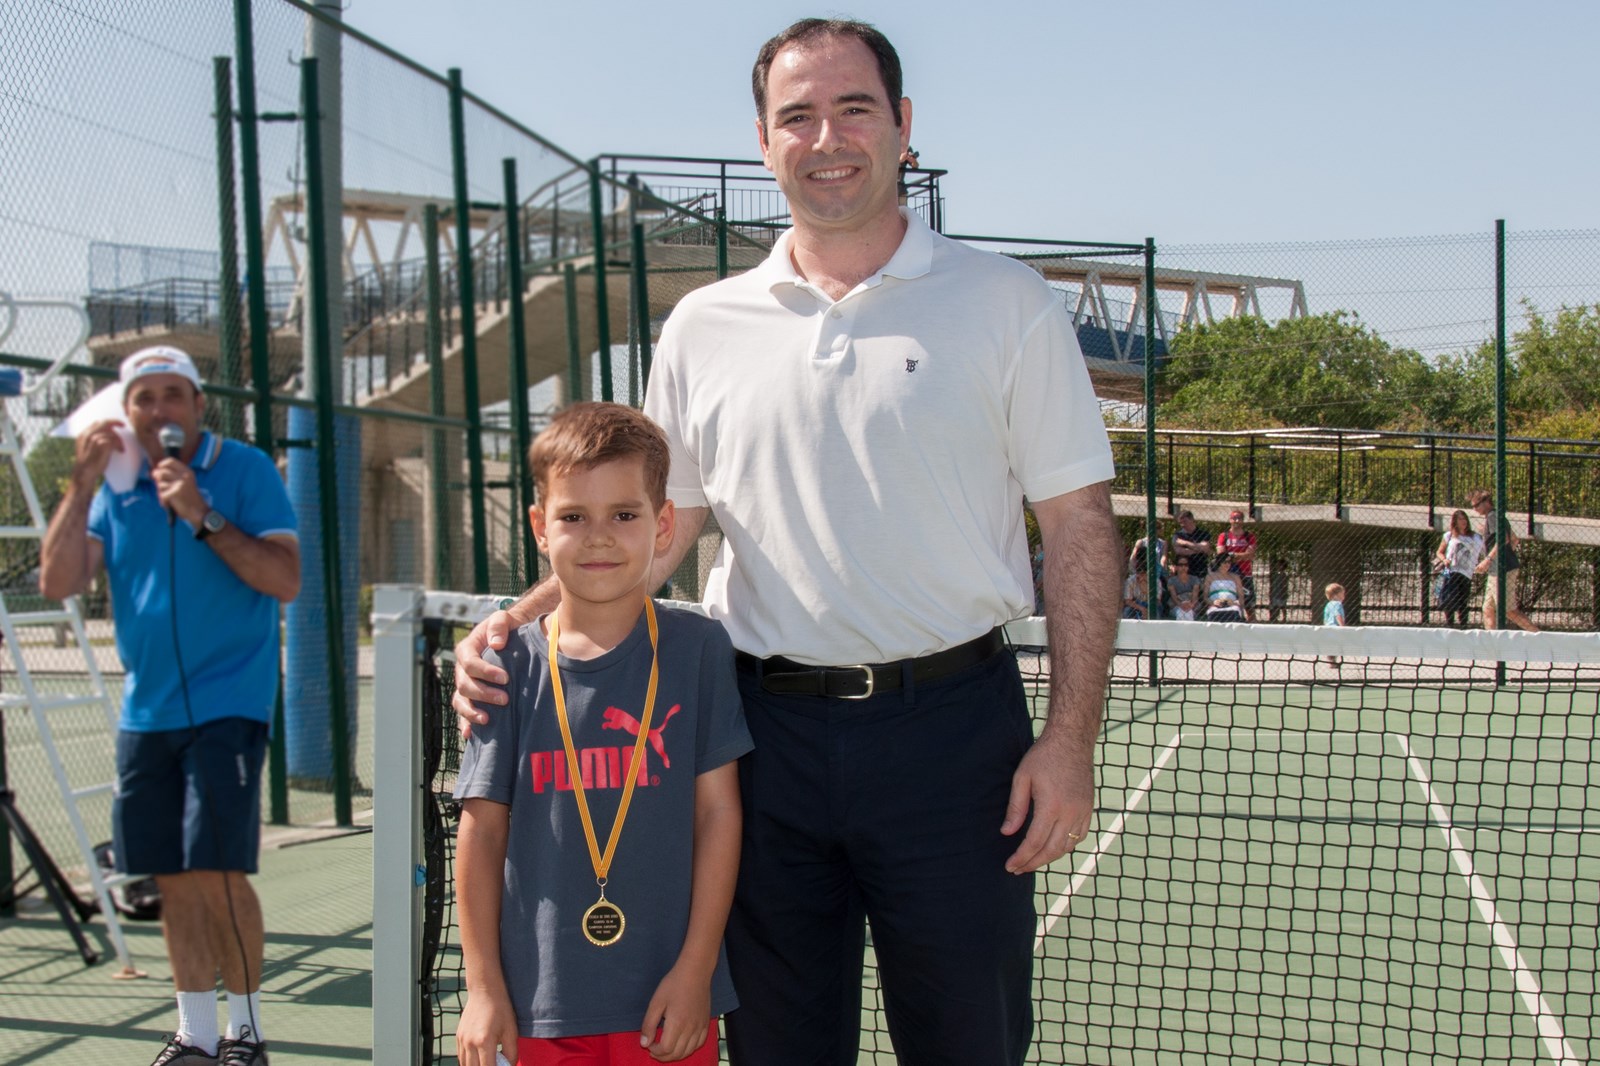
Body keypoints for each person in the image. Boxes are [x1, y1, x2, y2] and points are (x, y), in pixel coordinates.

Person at [452, 17, 1122, 1066]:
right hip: (759, 745)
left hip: (955, 742)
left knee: (969, 1044)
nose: (827, 138)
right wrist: (516, 631)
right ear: (764, 143)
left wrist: (1070, 741)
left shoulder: (1008, 304)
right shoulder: (702, 326)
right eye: (797, 116)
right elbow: (656, 528)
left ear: (902, 124)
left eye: (854, 108)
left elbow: (1079, 522)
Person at [453, 403, 750, 1066]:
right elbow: (482, 831)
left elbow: (719, 814)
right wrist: (483, 989)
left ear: (663, 523)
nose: (598, 538)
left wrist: (697, 969)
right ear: (540, 527)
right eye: (573, 517)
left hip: (668, 1002)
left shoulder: (699, 650)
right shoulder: (506, 666)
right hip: (538, 1004)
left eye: (623, 514)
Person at [38, 346, 299, 1066]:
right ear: (126, 412)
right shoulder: (114, 485)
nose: (159, 411)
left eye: (172, 395)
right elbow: (58, 580)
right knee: (172, 880)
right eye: (144, 398)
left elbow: (284, 580)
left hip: (229, 704)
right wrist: (80, 484)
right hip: (145, 715)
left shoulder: (244, 469)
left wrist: (201, 514)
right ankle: (196, 1036)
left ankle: (246, 1034)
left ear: (197, 405)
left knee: (217, 873)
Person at [1470, 488, 1539, 632]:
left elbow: (1504, 539)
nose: (1474, 509)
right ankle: (1492, 642)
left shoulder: (1492, 516)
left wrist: (1488, 560)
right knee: (1488, 608)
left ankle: (1540, 637)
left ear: (1486, 502)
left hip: (1503, 569)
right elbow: (1514, 539)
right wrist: (1504, 554)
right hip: (1497, 569)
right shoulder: (1496, 517)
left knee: (1508, 610)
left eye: (1476, 505)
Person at [1432, 509, 1482, 628]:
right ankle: (1450, 624)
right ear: (1455, 521)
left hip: (1466, 572)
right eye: (1460, 519)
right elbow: (1439, 552)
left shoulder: (1474, 537)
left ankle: (1463, 625)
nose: (1463, 522)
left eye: (1465, 519)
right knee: (1449, 597)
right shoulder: (1449, 535)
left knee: (1463, 599)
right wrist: (1444, 560)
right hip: (1450, 570)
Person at [1215, 508, 1258, 614]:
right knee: (1228, 603)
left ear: (1243, 520)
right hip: (1228, 575)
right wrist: (1241, 555)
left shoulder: (1249, 536)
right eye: (1234, 518)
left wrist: (1231, 555)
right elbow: (1221, 555)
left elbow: (1250, 555)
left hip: (1245, 574)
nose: (1237, 520)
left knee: (1249, 608)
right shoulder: (1223, 536)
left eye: (1239, 518)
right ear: (1230, 520)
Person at [1203, 552, 1246, 623]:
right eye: (1225, 562)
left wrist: (1234, 603)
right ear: (1219, 562)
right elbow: (1205, 596)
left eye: (1229, 562)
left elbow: (1241, 596)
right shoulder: (1210, 577)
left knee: (1235, 612)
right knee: (1213, 613)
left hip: (1232, 605)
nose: (1227, 564)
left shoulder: (1235, 577)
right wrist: (1213, 602)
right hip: (1215, 605)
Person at [1165, 554, 1202, 621]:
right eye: (1180, 565)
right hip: (1176, 605)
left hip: (1192, 605)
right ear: (1176, 567)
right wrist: (1181, 605)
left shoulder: (1195, 579)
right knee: (1181, 613)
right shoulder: (1171, 580)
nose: (1183, 567)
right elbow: (1174, 597)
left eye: (1186, 565)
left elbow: (1195, 596)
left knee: (1189, 612)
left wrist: (1191, 605)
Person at [1322, 582, 1346, 668]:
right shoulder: (1338, 604)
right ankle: (1333, 662)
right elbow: (1338, 615)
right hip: (1335, 627)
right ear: (1336, 594)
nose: (1344, 596)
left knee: (1331, 644)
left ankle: (1331, 661)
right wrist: (1342, 626)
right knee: (1336, 644)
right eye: (1342, 593)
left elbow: (1325, 618)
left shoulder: (1328, 604)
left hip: (1328, 627)